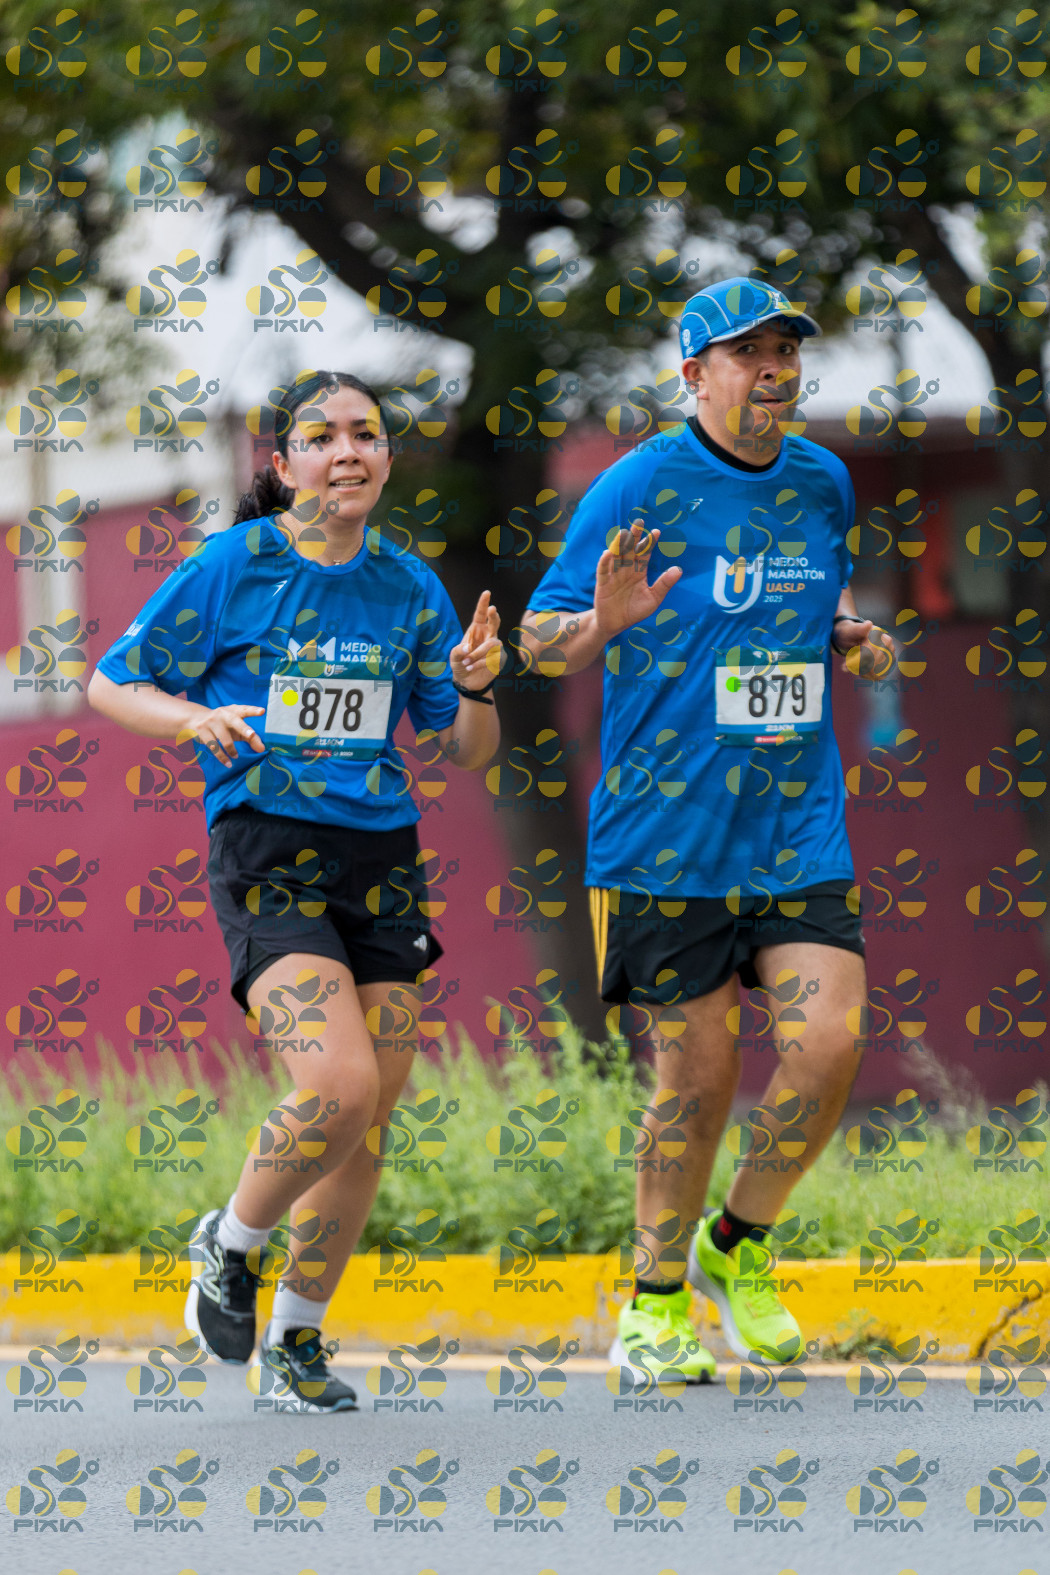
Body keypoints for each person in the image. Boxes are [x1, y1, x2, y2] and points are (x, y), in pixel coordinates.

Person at [88, 369, 503, 1411]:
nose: (348, 451)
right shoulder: (234, 564)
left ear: (387, 455)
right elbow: (110, 680)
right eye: (322, 436)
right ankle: (229, 1242)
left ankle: (297, 1339)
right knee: (339, 1084)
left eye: (367, 433)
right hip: (268, 850)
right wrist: (192, 719)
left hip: (381, 857)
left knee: (370, 1119)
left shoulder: (408, 585)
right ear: (283, 464)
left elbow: (465, 748)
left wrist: (480, 685)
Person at [520, 277, 896, 1380]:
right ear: (694, 374)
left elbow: (817, 600)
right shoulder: (636, 485)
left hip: (795, 824)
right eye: (749, 352)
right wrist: (602, 622)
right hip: (664, 835)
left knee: (828, 1044)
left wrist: (850, 636)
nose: (775, 367)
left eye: (786, 349)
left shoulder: (823, 481)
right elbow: (538, 639)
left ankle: (739, 1240)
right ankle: (654, 1300)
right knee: (698, 1077)